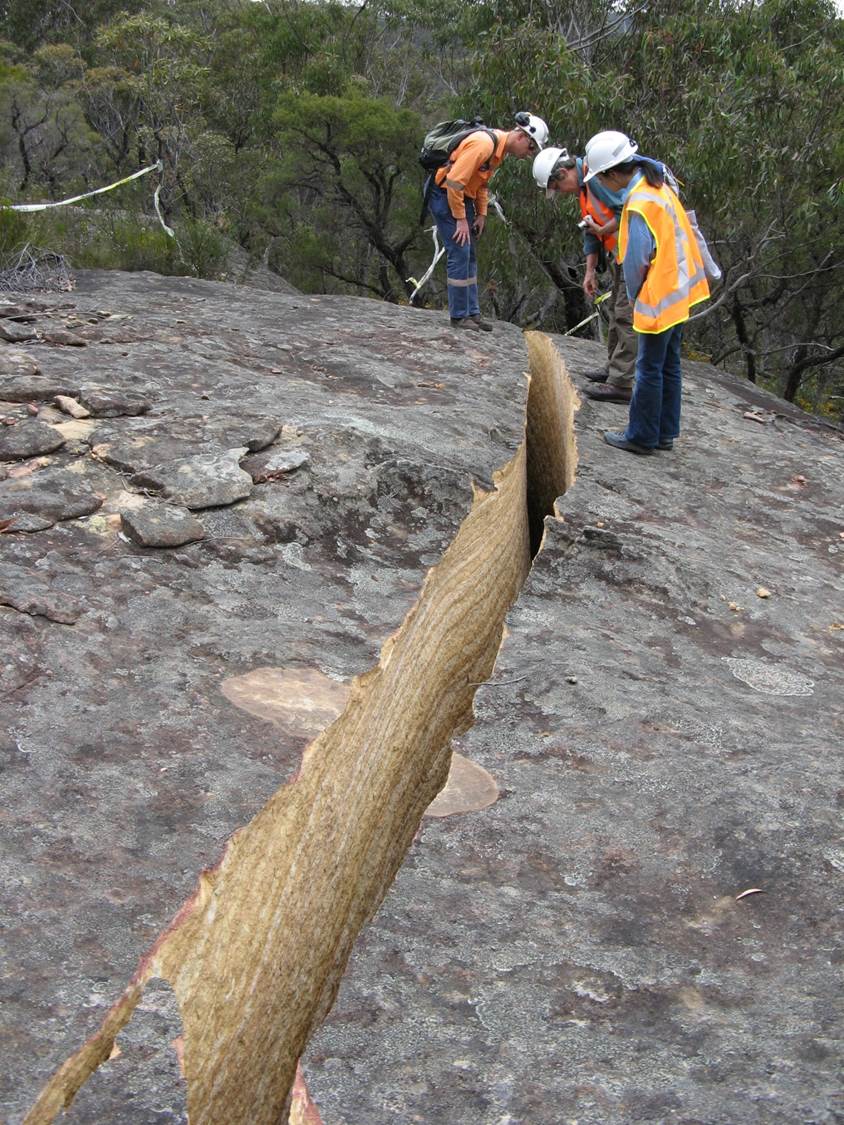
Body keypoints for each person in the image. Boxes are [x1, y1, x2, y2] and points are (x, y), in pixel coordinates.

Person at [582, 130, 710, 455]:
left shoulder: (639, 202)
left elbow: (636, 259)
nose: (603, 185)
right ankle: (664, 433)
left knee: (648, 367)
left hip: (660, 294)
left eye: (602, 177)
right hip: (681, 289)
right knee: (669, 363)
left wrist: (637, 297)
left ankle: (641, 436)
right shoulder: (658, 183)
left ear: (612, 173)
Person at [532, 144, 634, 403]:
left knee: (625, 316)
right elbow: (590, 232)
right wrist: (589, 271)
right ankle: (614, 370)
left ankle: (622, 383)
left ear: (563, 173)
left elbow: (627, 212)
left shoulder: (596, 177)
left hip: (637, 254)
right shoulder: (584, 189)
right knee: (615, 311)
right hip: (622, 255)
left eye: (556, 188)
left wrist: (602, 231)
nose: (560, 193)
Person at [429, 112, 549, 332]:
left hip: (464, 198)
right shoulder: (483, 144)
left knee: (470, 254)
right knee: (459, 251)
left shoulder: (496, 149)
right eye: (531, 148)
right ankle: (459, 316)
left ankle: (472, 312)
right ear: (522, 137)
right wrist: (461, 219)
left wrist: (481, 213)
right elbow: (454, 182)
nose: (529, 154)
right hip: (446, 196)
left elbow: (482, 183)